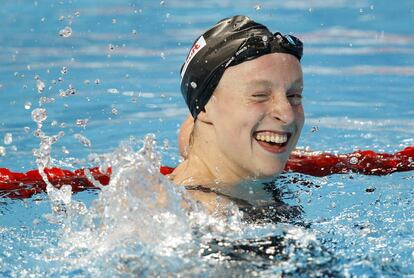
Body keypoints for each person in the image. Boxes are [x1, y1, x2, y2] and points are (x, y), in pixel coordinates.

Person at [170, 15, 304, 214]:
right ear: (205, 108)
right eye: (259, 96)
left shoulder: (207, 138)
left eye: (294, 96)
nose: (287, 115)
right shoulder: (204, 214)